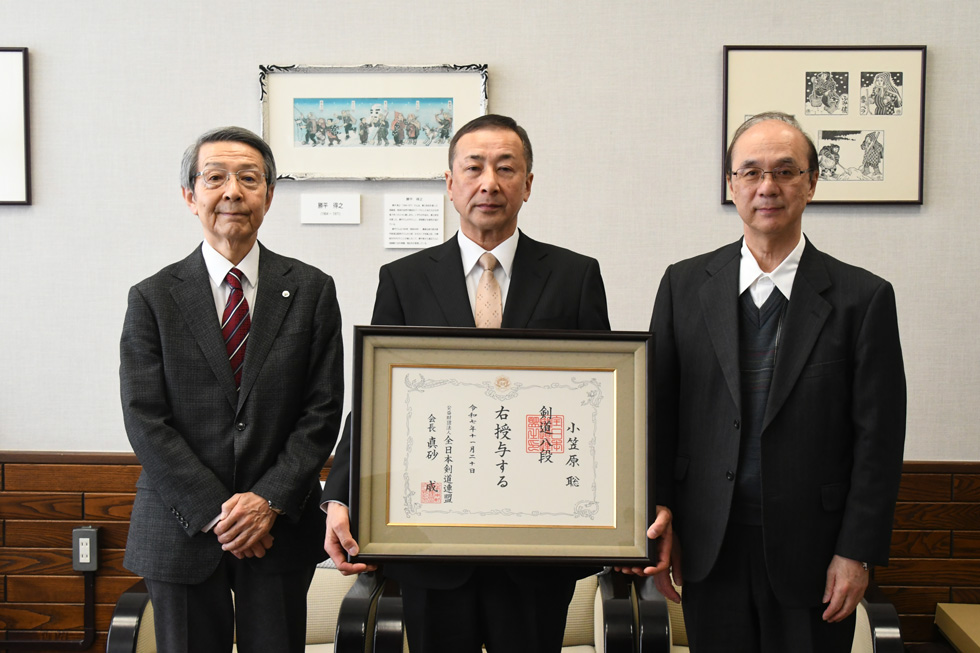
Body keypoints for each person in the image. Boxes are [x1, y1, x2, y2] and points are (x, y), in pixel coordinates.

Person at [321, 114, 614, 653]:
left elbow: (601, 406)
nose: (489, 183)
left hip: (537, 547)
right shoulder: (404, 279)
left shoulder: (575, 277)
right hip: (431, 541)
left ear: (528, 183)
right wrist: (338, 498)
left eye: (506, 169)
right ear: (450, 182)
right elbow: (373, 402)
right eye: (474, 168)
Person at [635, 111, 907, 652]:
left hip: (816, 551)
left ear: (811, 183)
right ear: (731, 184)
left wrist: (857, 551)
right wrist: (657, 522)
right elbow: (656, 414)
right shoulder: (684, 286)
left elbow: (879, 440)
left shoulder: (862, 298)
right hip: (709, 544)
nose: (768, 187)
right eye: (751, 172)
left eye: (785, 171)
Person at [119, 126, 344, 652]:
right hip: (180, 527)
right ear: (189, 195)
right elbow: (144, 417)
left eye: (248, 178)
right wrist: (220, 513)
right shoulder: (152, 297)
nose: (232, 192)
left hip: (278, 528)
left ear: (269, 193)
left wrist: (267, 500)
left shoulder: (311, 290)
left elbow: (323, 409)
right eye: (215, 177)